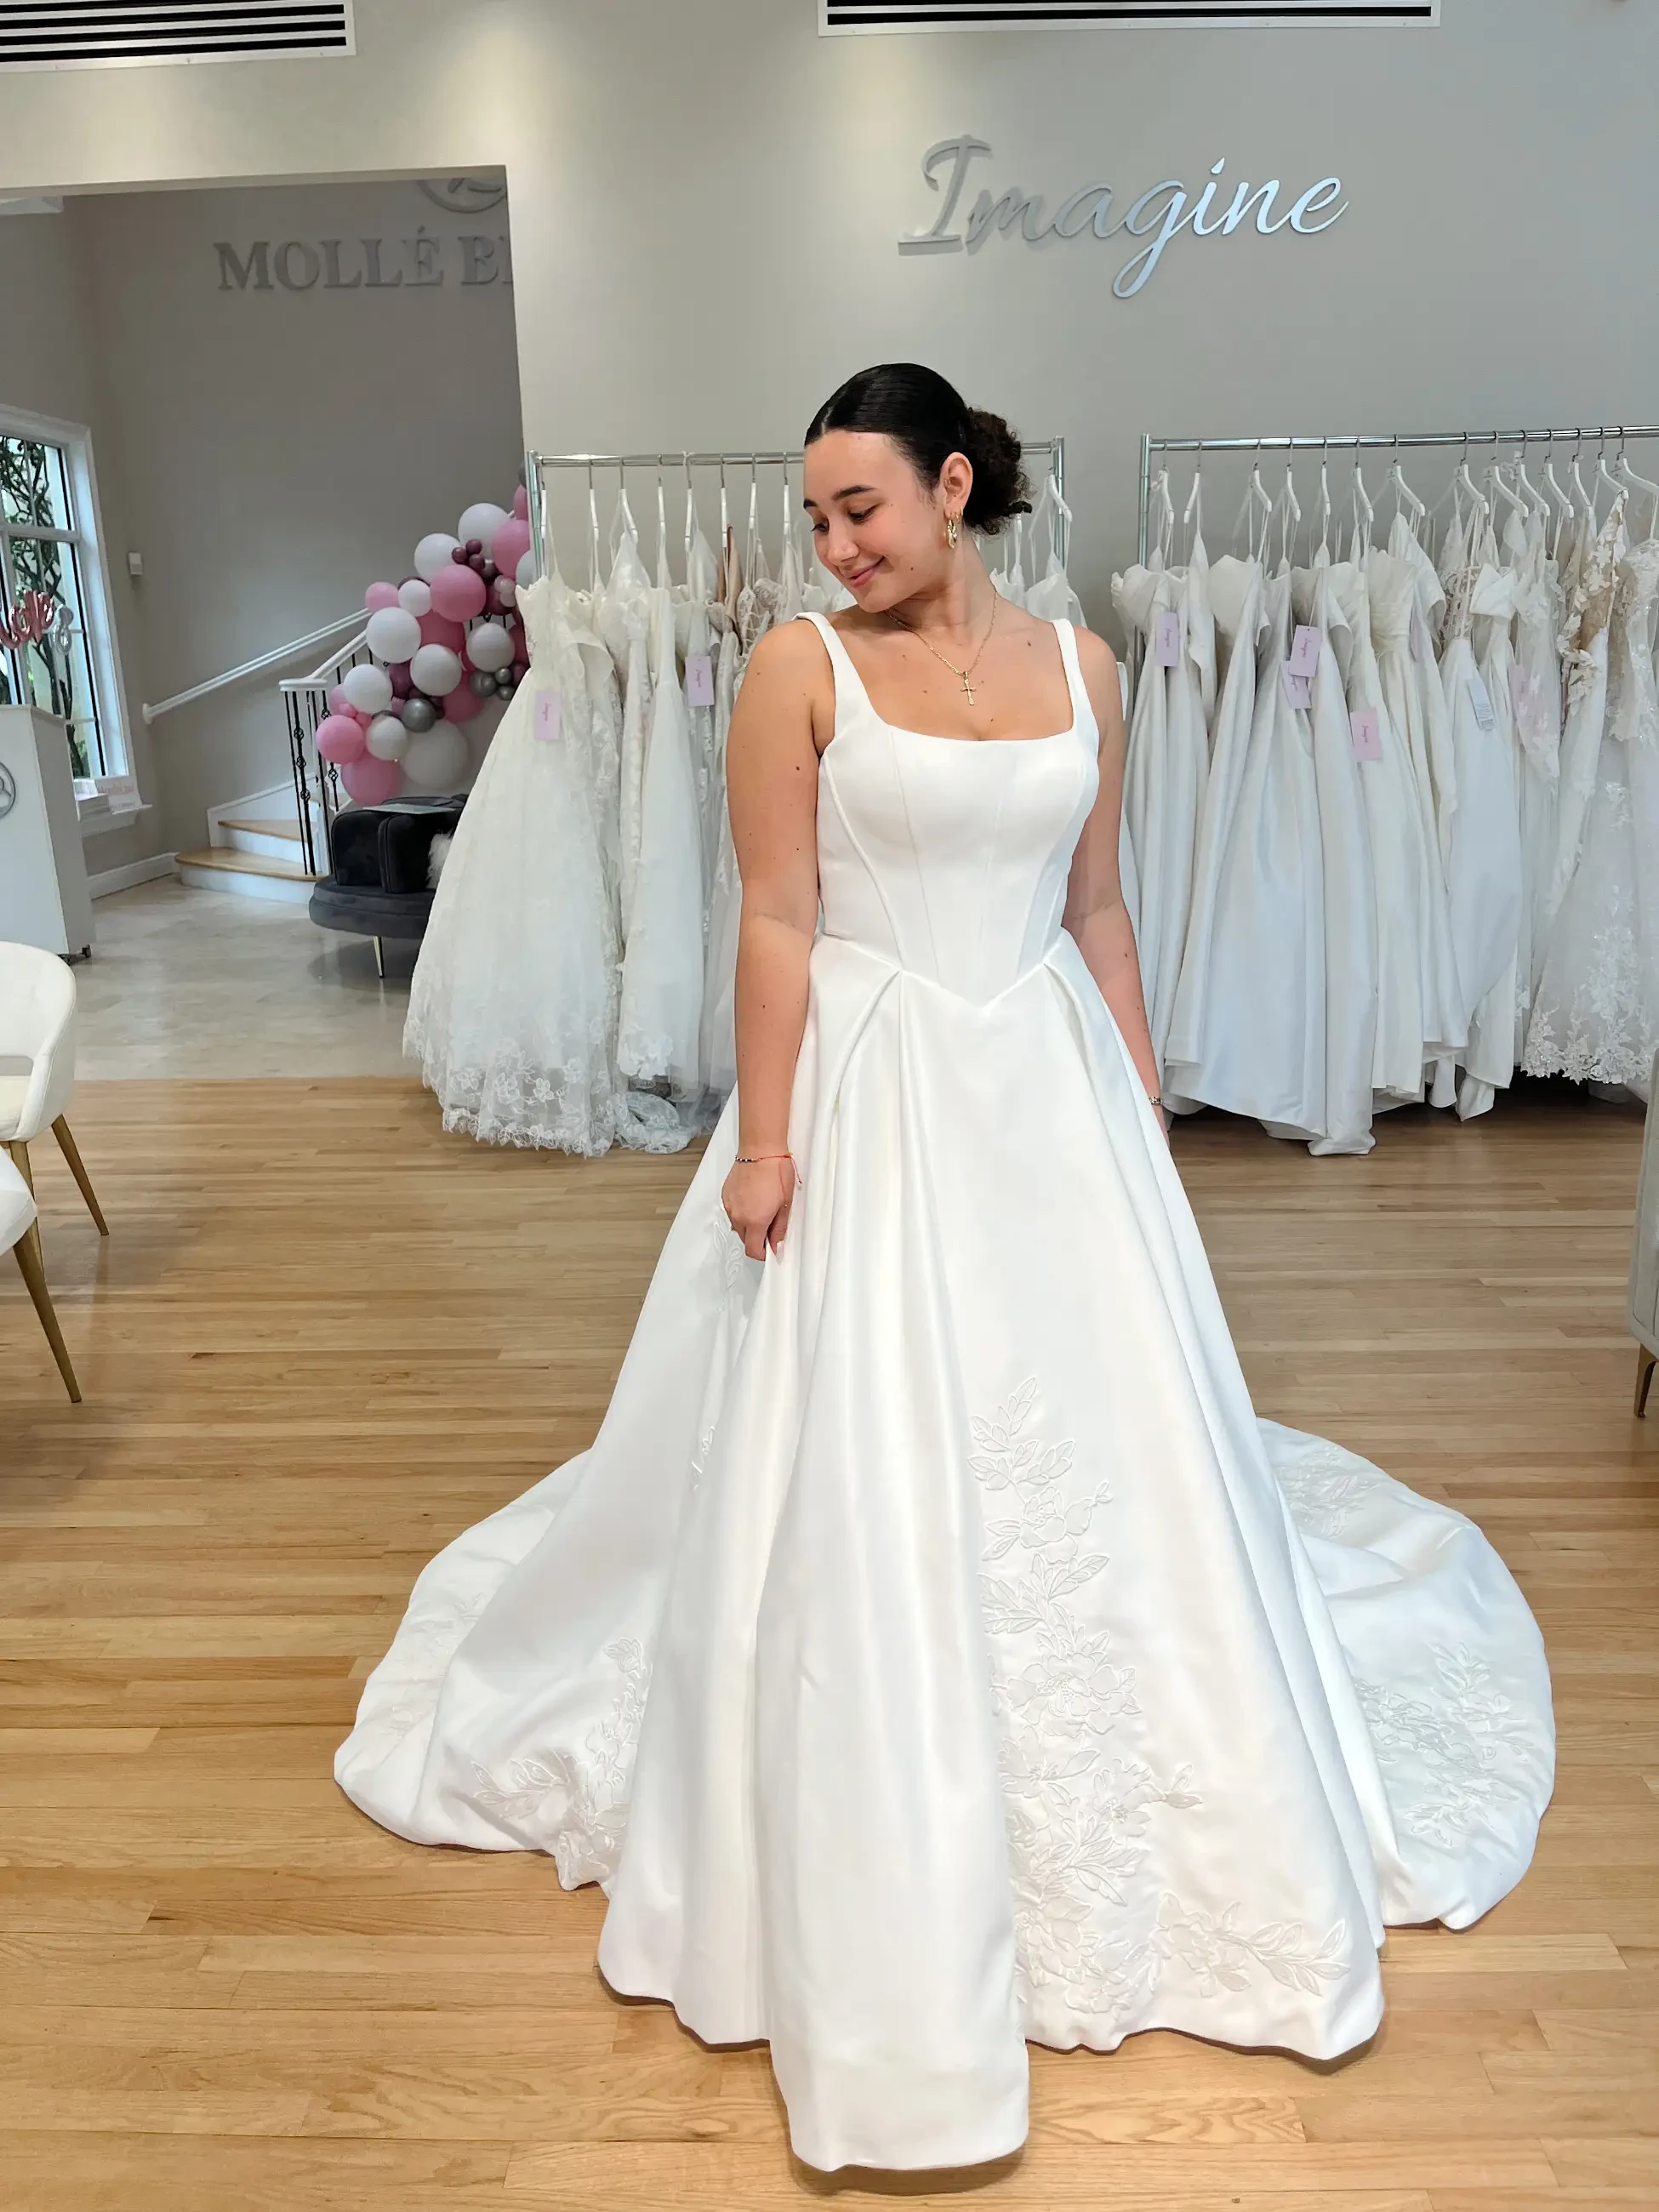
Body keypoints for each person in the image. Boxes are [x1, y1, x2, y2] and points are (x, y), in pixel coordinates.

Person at [336, 364, 1554, 2176]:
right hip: (874, 1076)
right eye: (816, 515)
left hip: (1047, 1077)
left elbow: (1100, 907)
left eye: (861, 507)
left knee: (1111, 1441)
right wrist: (764, 1139)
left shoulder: (1087, 670)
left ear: (956, 485)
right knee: (859, 1448)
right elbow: (772, 913)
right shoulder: (794, 671)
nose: (833, 543)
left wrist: (1135, 1100)